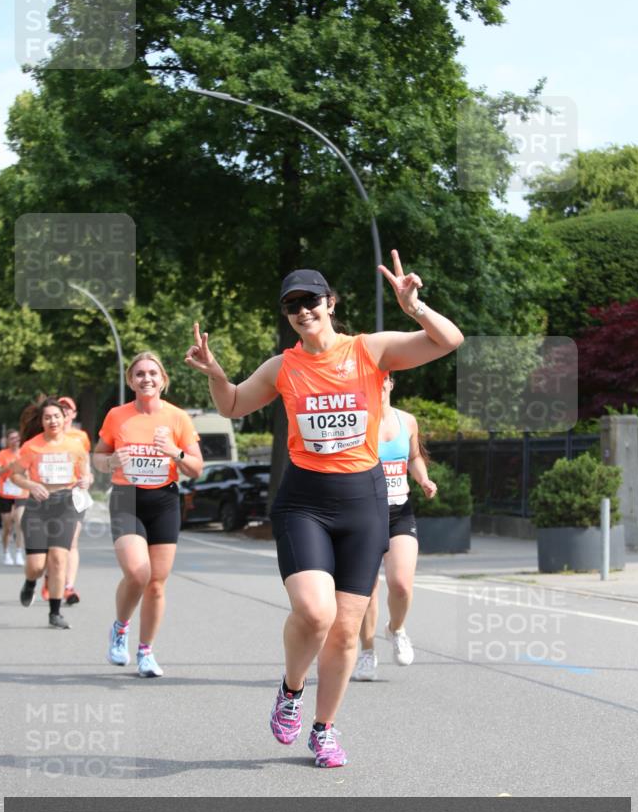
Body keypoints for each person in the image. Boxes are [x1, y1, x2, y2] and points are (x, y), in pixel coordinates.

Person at [185, 250, 463, 767]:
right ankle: (291, 692)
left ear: (330, 303)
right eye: (292, 305)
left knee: (345, 628)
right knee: (314, 612)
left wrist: (414, 306)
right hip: (305, 502)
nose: (302, 310)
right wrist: (217, 373)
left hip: (364, 501)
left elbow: (449, 341)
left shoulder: (370, 351)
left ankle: (324, 729)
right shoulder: (282, 366)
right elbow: (230, 405)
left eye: (310, 300)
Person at [93, 351, 203, 678]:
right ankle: (120, 628)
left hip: (165, 500)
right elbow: (98, 456)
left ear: (163, 380)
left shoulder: (178, 418)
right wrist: (110, 462)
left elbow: (196, 468)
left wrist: (175, 452)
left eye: (153, 373)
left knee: (156, 584)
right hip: (127, 497)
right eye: (139, 374)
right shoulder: (117, 416)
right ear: (130, 381)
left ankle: (145, 652)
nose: (146, 379)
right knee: (138, 574)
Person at [352, 374, 437, 681]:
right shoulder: (357, 422)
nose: (378, 386)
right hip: (363, 515)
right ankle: (367, 652)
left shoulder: (407, 421)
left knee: (401, 584)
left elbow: (413, 457)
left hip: (400, 512)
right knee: (368, 590)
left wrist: (423, 479)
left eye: (383, 381)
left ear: (390, 383)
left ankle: (396, 628)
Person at [10, 398, 90, 629]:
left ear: (64, 418)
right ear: (42, 421)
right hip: (38, 506)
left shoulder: (75, 445)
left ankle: (54, 613)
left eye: (57, 416)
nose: (53, 420)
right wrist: (31, 485)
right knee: (36, 565)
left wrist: (86, 480)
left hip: (65, 505)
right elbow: (15, 475)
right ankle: (29, 582)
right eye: (48, 417)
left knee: (58, 558)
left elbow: (86, 475)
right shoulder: (32, 446)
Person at [39, 396, 92, 605]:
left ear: (73, 414)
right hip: (49, 498)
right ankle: (49, 578)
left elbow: (85, 465)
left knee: (71, 542)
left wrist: (87, 478)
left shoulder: (81, 437)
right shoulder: (45, 436)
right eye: (62, 409)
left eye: (69, 409)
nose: (66, 413)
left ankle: (68, 587)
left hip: (75, 496)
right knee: (51, 546)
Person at [0, 429, 28, 566]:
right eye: (12, 438)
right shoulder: (2, 455)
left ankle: (19, 553)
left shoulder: (24, 453)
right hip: (6, 493)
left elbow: (30, 469)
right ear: (7, 441)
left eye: (17, 438)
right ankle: (6, 552)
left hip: (21, 492)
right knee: (7, 526)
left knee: (20, 522)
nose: (15, 440)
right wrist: (7, 467)